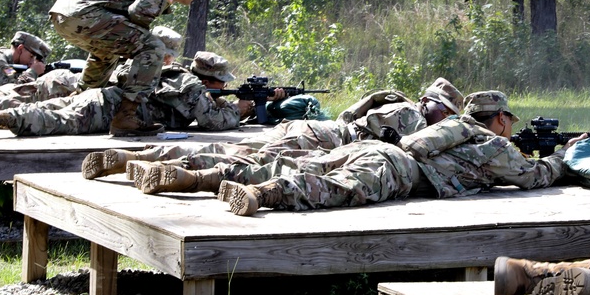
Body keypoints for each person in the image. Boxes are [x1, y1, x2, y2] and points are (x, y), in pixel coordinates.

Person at [125, 90, 586, 214]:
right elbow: (534, 178)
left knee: (285, 160)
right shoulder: (494, 144)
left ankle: (197, 176)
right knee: (332, 190)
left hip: (367, 147)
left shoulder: (450, 127)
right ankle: (264, 196)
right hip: (396, 170)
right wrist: (564, 157)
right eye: (511, 120)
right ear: (501, 119)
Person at [81, 77, 465, 185]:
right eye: (443, 114)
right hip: (320, 143)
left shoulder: (388, 102)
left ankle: (140, 158)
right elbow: (418, 153)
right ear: (435, 107)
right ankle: (144, 162)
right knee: (249, 159)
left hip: (313, 131)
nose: (441, 121)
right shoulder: (412, 117)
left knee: (240, 149)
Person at [48, 0, 205, 136]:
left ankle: (80, 98)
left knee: (107, 53)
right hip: (84, 13)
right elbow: (139, 13)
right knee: (153, 48)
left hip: (62, 15)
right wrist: (139, 46)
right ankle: (126, 116)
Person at [0, 50, 251, 139]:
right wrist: (239, 109)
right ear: (208, 79)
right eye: (220, 84)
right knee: (50, 120)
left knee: (50, 107)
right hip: (105, 110)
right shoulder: (191, 87)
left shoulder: (173, 74)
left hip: (101, 97)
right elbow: (212, 122)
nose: (223, 88)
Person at [0, 25, 182, 117]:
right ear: (21, 49)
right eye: (34, 56)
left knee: (11, 100)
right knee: (12, 101)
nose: (35, 60)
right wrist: (35, 71)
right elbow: (4, 85)